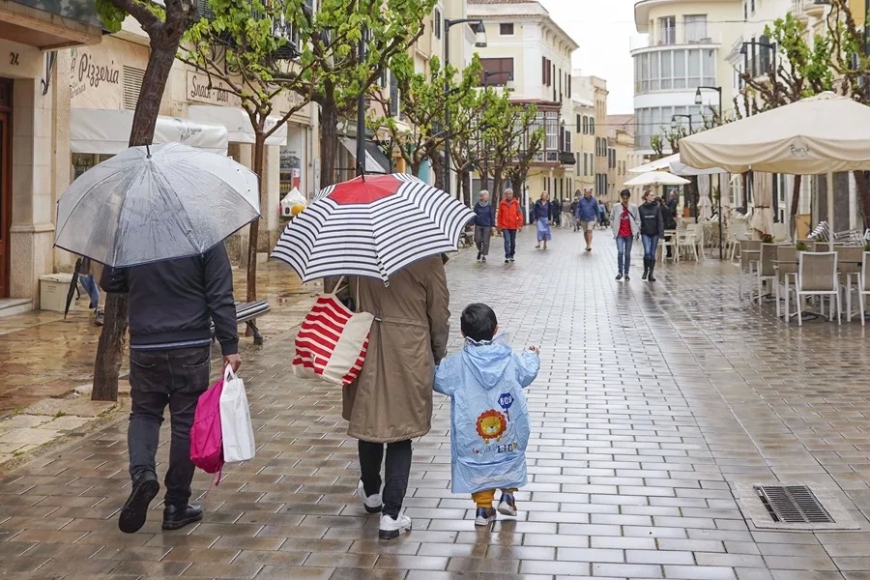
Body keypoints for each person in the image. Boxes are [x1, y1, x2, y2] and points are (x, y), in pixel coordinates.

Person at [101, 244, 241, 534]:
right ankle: (176, 506)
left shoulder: (135, 231)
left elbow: (111, 281)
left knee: (143, 414)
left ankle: (142, 475)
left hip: (145, 344)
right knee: (184, 423)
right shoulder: (204, 233)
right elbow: (219, 294)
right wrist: (230, 345)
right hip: (189, 345)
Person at [344, 256, 450, 540]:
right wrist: (437, 351)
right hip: (409, 350)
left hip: (364, 346)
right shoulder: (427, 256)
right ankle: (391, 515)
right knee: (401, 433)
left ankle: (371, 491)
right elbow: (438, 312)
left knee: (370, 420)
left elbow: (342, 299)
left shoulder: (355, 251)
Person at [434, 303, 540, 526]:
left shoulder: (458, 363)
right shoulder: (510, 356)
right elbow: (527, 373)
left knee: (479, 460)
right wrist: (531, 355)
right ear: (495, 329)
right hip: (508, 422)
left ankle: (483, 510)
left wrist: (429, 363)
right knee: (508, 455)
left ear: (463, 332)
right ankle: (508, 497)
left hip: (473, 429)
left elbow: (439, 380)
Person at [610, 189, 640, 281]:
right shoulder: (616, 207)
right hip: (619, 234)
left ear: (629, 198)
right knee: (620, 252)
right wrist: (614, 228)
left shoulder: (633, 207)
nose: (625, 200)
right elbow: (611, 218)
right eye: (623, 198)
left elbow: (637, 220)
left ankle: (626, 273)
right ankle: (620, 272)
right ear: (621, 198)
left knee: (627, 254)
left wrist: (637, 230)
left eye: (626, 198)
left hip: (629, 234)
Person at [638, 189, 664, 282]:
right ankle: (645, 270)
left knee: (652, 253)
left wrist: (661, 234)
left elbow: (660, 220)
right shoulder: (641, 208)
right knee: (647, 252)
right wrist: (638, 230)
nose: (653, 197)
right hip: (645, 232)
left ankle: (651, 273)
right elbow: (638, 220)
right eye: (651, 195)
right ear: (646, 197)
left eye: (653, 195)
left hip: (655, 233)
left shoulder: (657, 207)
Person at [497, 189, 523, 263]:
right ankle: (507, 256)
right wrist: (499, 225)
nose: (508, 195)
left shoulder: (516, 203)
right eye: (507, 194)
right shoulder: (502, 203)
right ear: (505, 195)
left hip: (513, 225)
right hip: (505, 226)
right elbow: (500, 215)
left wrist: (520, 225)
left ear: (512, 194)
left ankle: (512, 254)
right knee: (507, 241)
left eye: (510, 194)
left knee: (512, 242)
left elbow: (519, 214)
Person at [473, 190, 496, 263]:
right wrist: (471, 224)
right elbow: (474, 215)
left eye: (487, 195)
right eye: (485, 195)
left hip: (487, 225)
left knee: (486, 241)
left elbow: (492, 215)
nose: (487, 197)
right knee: (477, 240)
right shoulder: (477, 205)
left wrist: (493, 225)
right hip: (478, 225)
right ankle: (480, 250)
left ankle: (484, 255)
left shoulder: (489, 205)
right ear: (481, 197)